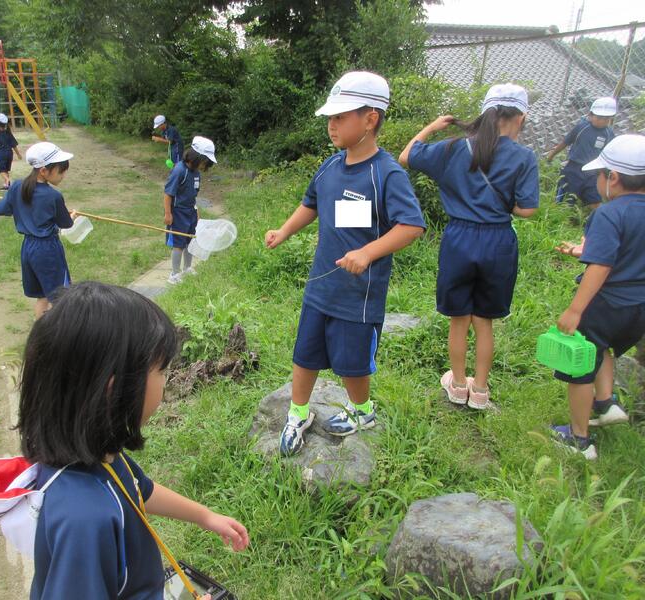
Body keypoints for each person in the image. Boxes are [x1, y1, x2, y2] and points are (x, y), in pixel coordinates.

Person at [16, 282, 249, 599]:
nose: (165, 380)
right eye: (162, 371)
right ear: (114, 389)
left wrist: (205, 516)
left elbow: (140, 490)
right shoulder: (84, 521)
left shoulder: (97, 455)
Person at [265, 71, 426, 456]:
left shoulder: (386, 173)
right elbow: (311, 204)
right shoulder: (330, 167)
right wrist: (284, 231)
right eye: (330, 117)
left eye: (340, 116)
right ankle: (298, 413)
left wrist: (368, 253)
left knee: (352, 364)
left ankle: (362, 411)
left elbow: (412, 226)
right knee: (305, 353)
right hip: (321, 287)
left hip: (359, 295)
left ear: (370, 119)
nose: (331, 124)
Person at [399, 83, 539, 410]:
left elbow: (406, 156)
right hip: (498, 241)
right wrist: (501, 206)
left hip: (459, 240)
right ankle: (480, 391)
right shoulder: (524, 157)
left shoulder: (454, 148)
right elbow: (527, 209)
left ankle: (458, 384)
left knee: (459, 319)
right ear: (521, 117)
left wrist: (433, 127)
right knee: (484, 320)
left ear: (485, 113)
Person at [551, 134, 645, 460]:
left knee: (580, 365)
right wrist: (585, 251)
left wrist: (575, 310)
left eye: (600, 175)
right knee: (604, 347)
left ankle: (578, 439)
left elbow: (601, 265)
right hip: (638, 307)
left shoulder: (609, 213)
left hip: (607, 303)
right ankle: (606, 402)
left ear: (613, 178)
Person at [0, 142, 75, 319]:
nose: (63, 175)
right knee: (61, 297)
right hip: (48, 249)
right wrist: (72, 216)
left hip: (28, 249)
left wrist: (14, 203)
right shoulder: (53, 196)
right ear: (44, 171)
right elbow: (66, 223)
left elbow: (1, 209)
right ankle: (62, 331)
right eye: (61, 171)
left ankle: (40, 329)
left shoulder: (17, 186)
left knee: (42, 295)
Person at [547, 97, 617, 210]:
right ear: (590, 115)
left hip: (594, 172)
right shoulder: (582, 128)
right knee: (566, 200)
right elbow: (565, 142)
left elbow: (611, 153)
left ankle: (594, 218)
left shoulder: (609, 133)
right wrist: (551, 155)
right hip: (574, 168)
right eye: (599, 117)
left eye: (606, 119)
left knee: (595, 201)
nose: (602, 121)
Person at [164, 136, 216, 284]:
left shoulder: (196, 173)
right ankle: (174, 274)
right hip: (178, 213)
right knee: (179, 243)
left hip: (190, 211)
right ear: (196, 157)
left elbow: (193, 195)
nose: (205, 166)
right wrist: (168, 214)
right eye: (205, 162)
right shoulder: (179, 171)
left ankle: (187, 268)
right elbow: (168, 194)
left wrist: (196, 211)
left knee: (190, 240)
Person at [0, 114, 22, 190]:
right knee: (6, 170)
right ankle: (7, 185)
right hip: (10, 153)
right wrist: (18, 154)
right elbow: (14, 145)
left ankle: (7, 180)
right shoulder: (9, 134)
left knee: (2, 170)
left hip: (1, 154)